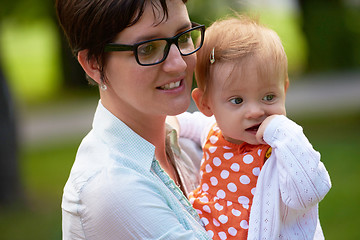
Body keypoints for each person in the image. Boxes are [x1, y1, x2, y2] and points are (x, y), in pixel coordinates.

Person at [55, 0, 212, 239]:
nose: (178, 63)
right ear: (94, 64)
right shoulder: (112, 189)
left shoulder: (184, 140)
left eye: (182, 38)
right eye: (148, 48)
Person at [175, 16, 332, 239]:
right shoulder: (213, 131)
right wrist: (173, 122)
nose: (256, 112)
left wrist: (282, 130)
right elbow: (192, 123)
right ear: (205, 104)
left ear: (284, 91)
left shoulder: (281, 151)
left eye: (269, 97)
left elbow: (311, 191)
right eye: (237, 101)